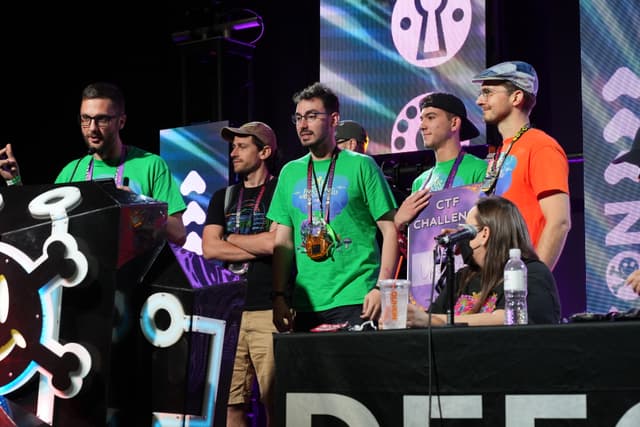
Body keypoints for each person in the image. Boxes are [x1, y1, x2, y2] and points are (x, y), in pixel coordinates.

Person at [268, 82, 399, 332]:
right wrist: (278, 296)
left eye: (312, 116)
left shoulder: (362, 165)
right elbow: (283, 242)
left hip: (356, 298)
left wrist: (382, 287)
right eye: (298, 118)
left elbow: (391, 229)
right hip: (306, 304)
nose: (303, 125)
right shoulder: (289, 173)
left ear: (334, 119)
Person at [1, 82, 187, 246]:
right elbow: (40, 226)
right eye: (85, 119)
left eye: (102, 119)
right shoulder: (71, 171)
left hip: (133, 279)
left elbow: (179, 233)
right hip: (82, 277)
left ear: (121, 121)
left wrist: (139, 207)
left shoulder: (151, 165)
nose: (92, 128)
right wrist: (14, 182)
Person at [202, 121, 279, 427]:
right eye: (232, 146)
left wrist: (230, 240)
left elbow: (277, 243)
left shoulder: (280, 190)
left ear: (264, 151)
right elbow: (209, 248)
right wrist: (258, 245)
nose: (233, 152)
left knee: (276, 401)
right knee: (231, 404)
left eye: (242, 146)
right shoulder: (223, 196)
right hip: (229, 313)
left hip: (268, 309)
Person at [472, 60, 571, 271]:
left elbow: (559, 222)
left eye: (488, 92)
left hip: (521, 285)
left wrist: (534, 281)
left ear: (516, 97)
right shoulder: (501, 152)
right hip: (495, 280)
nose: (480, 100)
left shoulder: (540, 146)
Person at [405, 196, 562, 327]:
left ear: (484, 234)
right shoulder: (463, 277)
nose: (461, 237)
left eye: (466, 230)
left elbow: (506, 318)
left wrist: (437, 321)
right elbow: (430, 319)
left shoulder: (531, 272)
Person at [393, 92, 488, 235]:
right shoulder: (419, 182)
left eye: (430, 117)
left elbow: (489, 226)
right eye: (421, 119)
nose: (422, 126)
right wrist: (399, 221)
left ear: (454, 123)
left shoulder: (480, 169)